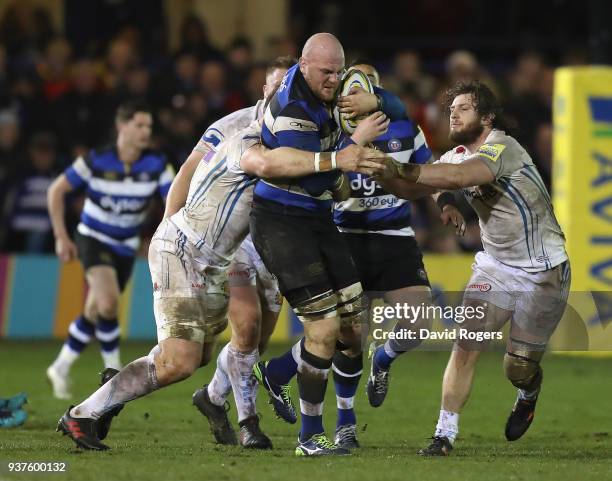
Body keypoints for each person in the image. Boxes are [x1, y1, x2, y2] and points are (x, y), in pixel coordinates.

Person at [55, 84, 387, 451]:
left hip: (214, 262)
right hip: (185, 251)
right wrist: (346, 150)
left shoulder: (282, 141)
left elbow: (325, 184)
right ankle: (83, 414)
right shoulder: (247, 141)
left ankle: (114, 392)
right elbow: (268, 166)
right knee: (179, 360)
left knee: (198, 357)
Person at [252, 62, 465, 449]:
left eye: (364, 85)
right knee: (348, 336)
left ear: (375, 89)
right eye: (349, 85)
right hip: (346, 235)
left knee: (417, 327)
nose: (354, 92)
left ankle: (380, 360)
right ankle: (345, 423)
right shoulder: (333, 129)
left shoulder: (405, 129)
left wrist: (445, 201)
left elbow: (428, 170)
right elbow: (317, 174)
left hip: (395, 238)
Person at [377, 80, 570, 456]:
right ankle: (444, 434)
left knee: (516, 367)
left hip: (543, 271)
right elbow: (412, 187)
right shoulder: (458, 154)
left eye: (463, 108)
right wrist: (377, 169)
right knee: (465, 343)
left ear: (486, 117)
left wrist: (399, 167)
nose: (453, 113)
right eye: (451, 109)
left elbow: (460, 177)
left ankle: (528, 391)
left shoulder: (503, 147)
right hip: (495, 268)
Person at [248, 33, 411, 456]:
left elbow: (400, 109)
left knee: (353, 329)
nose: (334, 80)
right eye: (326, 72)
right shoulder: (292, 110)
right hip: (281, 221)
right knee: (322, 330)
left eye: (339, 71)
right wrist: (353, 145)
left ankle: (285, 375)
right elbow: (317, 178)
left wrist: (373, 102)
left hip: (318, 218)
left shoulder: (337, 87)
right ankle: (310, 436)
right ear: (303, 65)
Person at [165, 56, 296, 449]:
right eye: (274, 87)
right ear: (264, 89)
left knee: (254, 345)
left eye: (287, 89)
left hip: (275, 245)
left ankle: (212, 395)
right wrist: (169, 226)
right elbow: (188, 169)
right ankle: (249, 424)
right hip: (233, 243)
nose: (279, 95)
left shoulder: (304, 133)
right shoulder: (233, 125)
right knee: (248, 327)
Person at [46, 101, 175, 400]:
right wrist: (61, 236)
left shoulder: (157, 164)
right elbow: (56, 190)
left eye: (149, 127)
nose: (146, 132)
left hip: (126, 247)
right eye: (140, 125)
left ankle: (60, 366)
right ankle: (113, 372)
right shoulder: (96, 160)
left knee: (94, 310)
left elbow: (174, 200)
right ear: (122, 126)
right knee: (107, 303)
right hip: (93, 239)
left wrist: (159, 237)